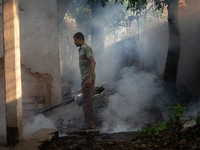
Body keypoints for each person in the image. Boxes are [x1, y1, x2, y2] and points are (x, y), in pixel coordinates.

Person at [73, 32, 96, 129]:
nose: (74, 42)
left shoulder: (86, 48)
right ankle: (88, 122)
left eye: (75, 40)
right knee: (86, 100)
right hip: (85, 78)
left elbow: (93, 62)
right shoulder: (81, 49)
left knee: (87, 101)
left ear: (80, 39)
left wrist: (89, 78)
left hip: (87, 78)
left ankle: (90, 124)